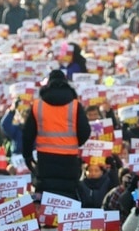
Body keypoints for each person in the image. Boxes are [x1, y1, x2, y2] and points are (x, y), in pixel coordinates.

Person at [22, 70, 90, 200]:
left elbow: (27, 134)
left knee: (46, 199)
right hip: (69, 161)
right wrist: (73, 143)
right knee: (67, 199)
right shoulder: (75, 105)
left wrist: (27, 156)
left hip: (45, 161)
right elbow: (85, 131)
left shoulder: (38, 105)